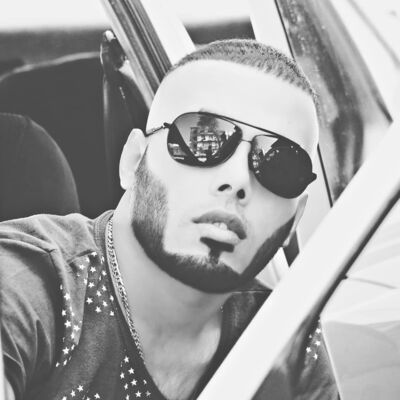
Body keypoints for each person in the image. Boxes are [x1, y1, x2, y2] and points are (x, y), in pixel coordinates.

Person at [0, 39, 338, 400]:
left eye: (280, 164)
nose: (239, 180)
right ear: (133, 161)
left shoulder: (293, 348)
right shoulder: (30, 283)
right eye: (203, 138)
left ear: (295, 218)